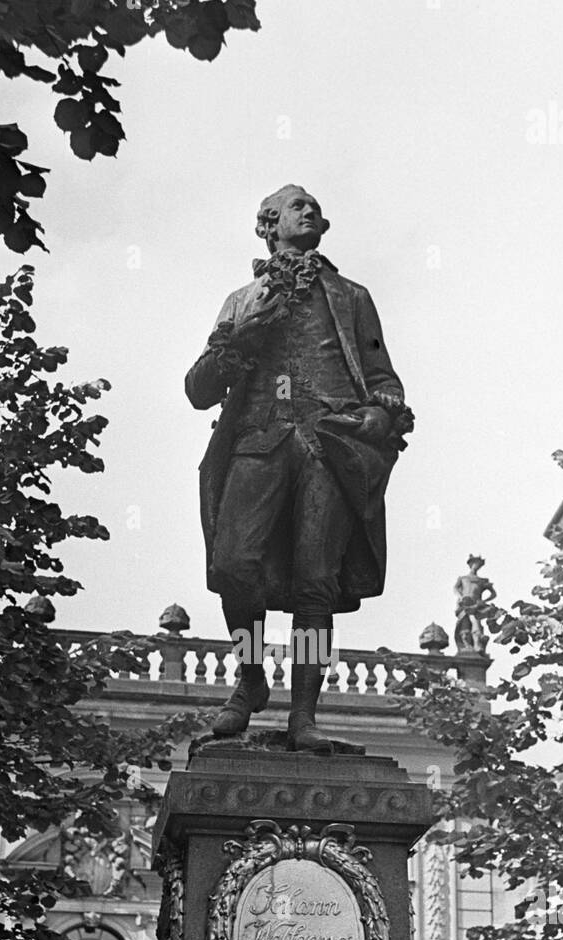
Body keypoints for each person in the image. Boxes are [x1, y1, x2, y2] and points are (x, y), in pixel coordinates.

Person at [185, 184, 412, 752]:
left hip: (328, 443)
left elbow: (384, 380)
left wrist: (381, 415)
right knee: (234, 565)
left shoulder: (353, 296)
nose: (311, 213)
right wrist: (243, 336)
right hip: (259, 440)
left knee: (318, 585)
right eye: (297, 207)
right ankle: (251, 678)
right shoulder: (242, 298)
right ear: (270, 224)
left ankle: (303, 713)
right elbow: (199, 390)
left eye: (315, 208)